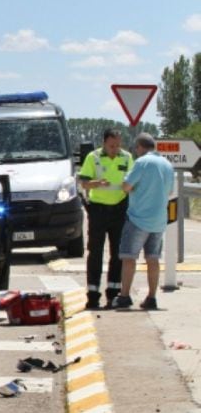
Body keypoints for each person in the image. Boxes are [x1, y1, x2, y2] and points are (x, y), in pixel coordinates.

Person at [114, 133, 174, 310]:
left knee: (129, 258)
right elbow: (170, 192)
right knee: (153, 260)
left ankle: (125, 296)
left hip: (138, 219)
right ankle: (151, 297)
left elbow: (126, 186)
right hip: (159, 221)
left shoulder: (142, 162)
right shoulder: (167, 164)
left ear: (140, 147)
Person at [78, 128, 133, 309]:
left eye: (117, 145)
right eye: (111, 146)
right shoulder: (93, 157)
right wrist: (97, 184)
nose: (114, 149)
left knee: (117, 253)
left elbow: (132, 181)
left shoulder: (126, 157)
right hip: (98, 210)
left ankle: (114, 294)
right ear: (104, 143)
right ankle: (93, 295)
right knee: (95, 253)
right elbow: (83, 182)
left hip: (119, 209)